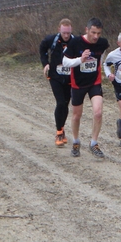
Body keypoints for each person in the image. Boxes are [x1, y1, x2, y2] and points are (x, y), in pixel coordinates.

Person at [62, 17, 109, 158]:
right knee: (77, 115)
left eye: (99, 33)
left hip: (94, 82)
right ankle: (76, 141)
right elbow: (65, 61)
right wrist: (80, 60)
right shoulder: (75, 42)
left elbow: (101, 56)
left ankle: (94, 143)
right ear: (86, 30)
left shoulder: (102, 43)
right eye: (93, 33)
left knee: (98, 112)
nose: (96, 36)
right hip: (78, 83)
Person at [39, 18, 74, 146]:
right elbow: (42, 49)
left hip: (70, 79)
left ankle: (62, 128)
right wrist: (45, 64)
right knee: (60, 103)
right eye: (64, 32)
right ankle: (59, 132)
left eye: (68, 33)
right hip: (55, 77)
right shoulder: (51, 40)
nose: (66, 35)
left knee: (65, 104)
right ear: (59, 29)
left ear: (71, 30)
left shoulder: (75, 41)